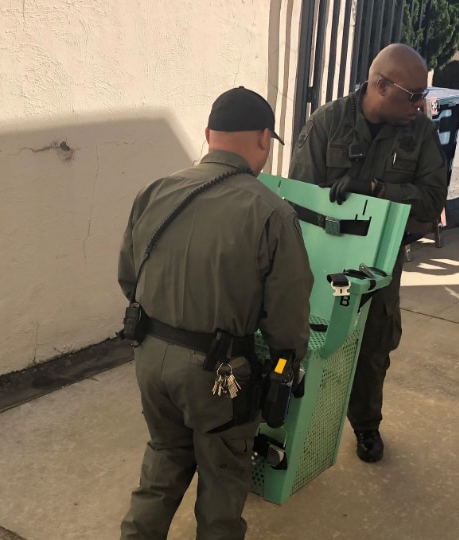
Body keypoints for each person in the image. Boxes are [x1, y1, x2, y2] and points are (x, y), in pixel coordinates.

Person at [118, 87, 313, 539]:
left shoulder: (155, 191)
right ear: (265, 138)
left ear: (209, 135)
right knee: (223, 483)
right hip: (218, 375)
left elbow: (129, 279)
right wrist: (285, 364)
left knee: (162, 462)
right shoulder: (271, 212)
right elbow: (286, 318)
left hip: (149, 358)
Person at [288, 44, 448, 463]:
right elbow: (300, 201)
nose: (421, 104)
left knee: (375, 343)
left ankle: (366, 425)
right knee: (309, 342)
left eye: (423, 95)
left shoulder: (420, 132)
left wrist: (378, 192)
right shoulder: (329, 123)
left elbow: (432, 204)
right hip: (323, 256)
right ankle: (296, 422)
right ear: (381, 86)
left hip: (381, 259)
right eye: (413, 95)